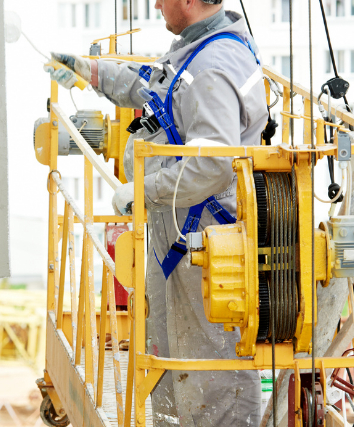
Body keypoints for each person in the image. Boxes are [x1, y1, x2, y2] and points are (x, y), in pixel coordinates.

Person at [48, 0, 268, 425]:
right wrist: (91, 71)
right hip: (180, 232)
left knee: (210, 361)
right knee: (167, 349)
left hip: (207, 240)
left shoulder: (213, 68)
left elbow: (212, 163)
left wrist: (142, 192)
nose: (155, 3)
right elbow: (156, 90)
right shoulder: (196, 48)